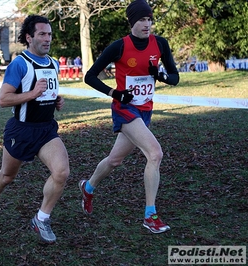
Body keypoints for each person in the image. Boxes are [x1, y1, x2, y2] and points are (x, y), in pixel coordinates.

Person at [79, 0, 179, 234]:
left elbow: (175, 77)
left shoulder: (160, 44)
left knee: (114, 160)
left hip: (145, 111)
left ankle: (88, 187)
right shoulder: (119, 46)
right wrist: (115, 93)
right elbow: (90, 76)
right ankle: (150, 216)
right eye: (142, 19)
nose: (147, 24)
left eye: (149, 19)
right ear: (132, 21)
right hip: (124, 110)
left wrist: (160, 75)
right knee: (155, 153)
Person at [0, 15, 69, 244]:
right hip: (21, 130)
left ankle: (41, 218)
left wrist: (55, 101)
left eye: (49, 34)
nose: (47, 38)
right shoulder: (19, 64)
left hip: (46, 130)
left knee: (61, 172)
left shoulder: (54, 63)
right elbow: (3, 99)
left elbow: (46, 93)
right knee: (7, 177)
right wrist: (32, 94)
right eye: (42, 34)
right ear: (29, 37)